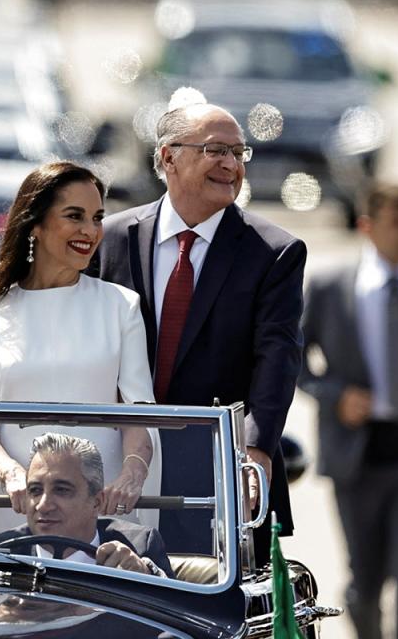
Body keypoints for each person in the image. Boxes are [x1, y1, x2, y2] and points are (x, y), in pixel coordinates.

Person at [91, 102, 306, 562]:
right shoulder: (111, 238)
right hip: (115, 471)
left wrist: (255, 452)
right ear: (168, 157)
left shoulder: (273, 252)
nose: (231, 164)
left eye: (238, 152)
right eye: (215, 150)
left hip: (216, 478)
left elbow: (278, 356)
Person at [0, 161, 160, 542]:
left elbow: (138, 413)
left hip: (99, 507)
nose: (91, 231)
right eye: (74, 216)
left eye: (97, 218)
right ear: (36, 225)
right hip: (16, 508)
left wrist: (132, 474)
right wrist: (13, 475)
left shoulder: (121, 306)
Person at [299, 183, 398, 639]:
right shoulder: (334, 288)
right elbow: (293, 358)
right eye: (396, 221)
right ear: (368, 227)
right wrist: (335, 395)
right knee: (366, 580)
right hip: (359, 457)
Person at [0, 433, 172, 577]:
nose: (43, 506)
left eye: (61, 490)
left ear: (97, 502)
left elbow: (175, 622)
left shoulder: (139, 546)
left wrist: (144, 576)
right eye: (35, 490)